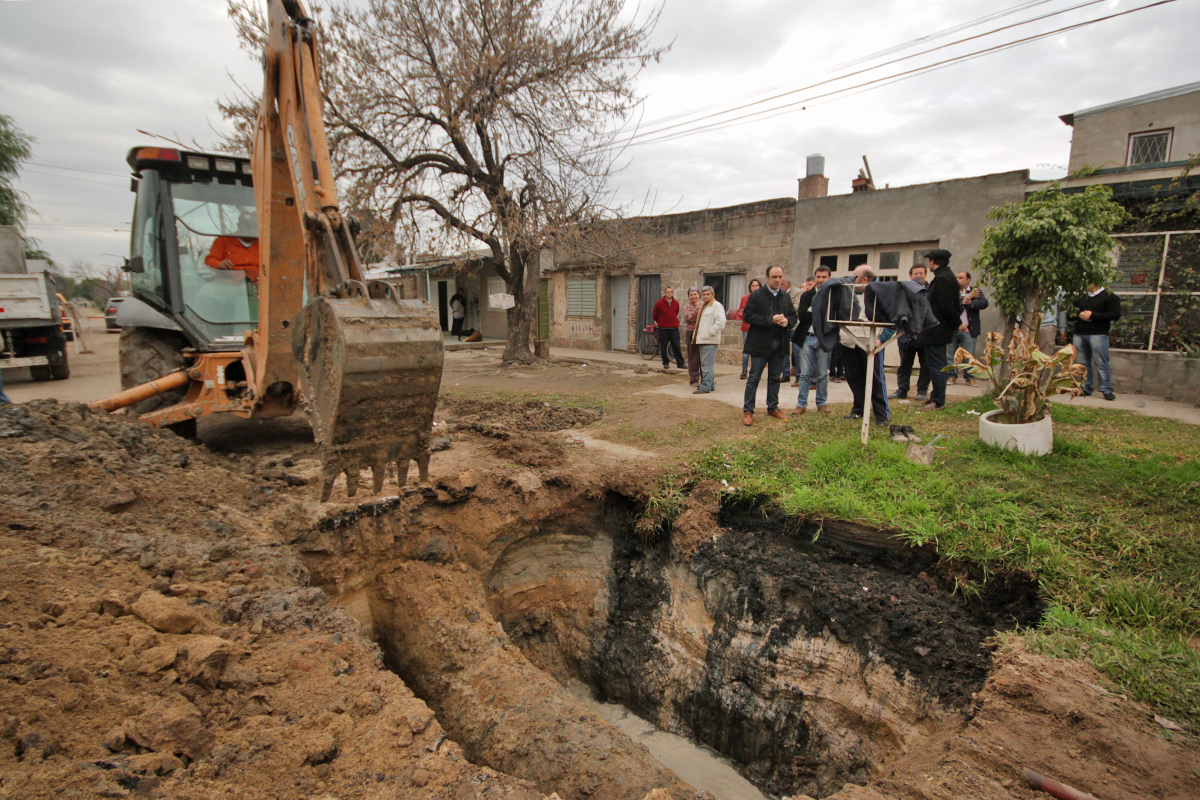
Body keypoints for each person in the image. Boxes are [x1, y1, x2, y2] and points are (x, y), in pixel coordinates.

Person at [741, 265, 796, 426]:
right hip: (760, 344)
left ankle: (773, 407)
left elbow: (793, 316)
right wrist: (769, 320)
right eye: (774, 277)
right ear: (767, 278)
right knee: (754, 377)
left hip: (779, 344)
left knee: (774, 378)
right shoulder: (757, 295)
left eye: (780, 277)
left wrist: (787, 322)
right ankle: (748, 410)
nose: (778, 280)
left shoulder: (785, 296)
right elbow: (748, 316)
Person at [836, 266, 891, 425]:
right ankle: (859, 409)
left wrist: (882, 339)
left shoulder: (882, 294)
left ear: (865, 279)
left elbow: (892, 318)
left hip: (870, 343)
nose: (852, 280)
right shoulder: (848, 291)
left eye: (855, 277)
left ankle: (882, 414)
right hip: (848, 342)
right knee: (854, 377)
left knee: (875, 379)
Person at [915, 249, 960, 411]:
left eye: (929, 261)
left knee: (937, 366)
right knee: (935, 364)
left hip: (937, 329)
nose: (928, 264)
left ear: (933, 262)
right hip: (936, 329)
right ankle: (935, 396)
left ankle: (938, 401)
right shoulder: (945, 277)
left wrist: (957, 323)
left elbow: (947, 305)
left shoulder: (943, 279)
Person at [790, 266, 833, 416]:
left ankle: (821, 403)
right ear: (815, 277)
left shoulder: (833, 295)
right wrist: (818, 313)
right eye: (818, 277)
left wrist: (813, 311)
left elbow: (832, 318)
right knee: (805, 374)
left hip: (824, 339)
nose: (821, 280)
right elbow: (802, 316)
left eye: (824, 277)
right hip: (807, 338)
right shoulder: (806, 295)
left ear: (829, 278)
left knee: (822, 374)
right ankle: (801, 404)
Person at [1070, 283, 1122, 401]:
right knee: (1083, 363)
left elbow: (1115, 314)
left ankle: (1106, 389)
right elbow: (1070, 314)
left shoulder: (1110, 296)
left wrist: (1093, 315)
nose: (1085, 283)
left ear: (1096, 282)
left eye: (1088, 280)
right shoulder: (1081, 297)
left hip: (1098, 334)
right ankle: (1085, 387)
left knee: (1101, 362)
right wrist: (1081, 315)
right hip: (1080, 333)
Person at [890, 263, 931, 401]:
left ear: (926, 275)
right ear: (910, 276)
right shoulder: (903, 290)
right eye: (915, 274)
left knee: (926, 365)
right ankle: (902, 390)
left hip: (924, 334)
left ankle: (922, 391)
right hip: (905, 335)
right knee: (904, 365)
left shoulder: (930, 290)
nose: (918, 276)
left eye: (921, 273)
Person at [948, 271, 989, 386]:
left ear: (968, 279)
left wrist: (971, 302)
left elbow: (984, 303)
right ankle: (951, 376)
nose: (957, 279)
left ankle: (969, 377)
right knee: (950, 355)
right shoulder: (951, 291)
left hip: (969, 330)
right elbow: (950, 304)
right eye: (956, 277)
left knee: (969, 355)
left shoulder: (976, 291)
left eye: (960, 277)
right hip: (953, 329)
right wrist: (966, 298)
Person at [205, 208, 260, 283]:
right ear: (239, 226)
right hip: (228, 282)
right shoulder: (223, 240)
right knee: (206, 294)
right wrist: (219, 264)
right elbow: (210, 260)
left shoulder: (264, 244)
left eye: (254, 226)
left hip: (258, 283)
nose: (251, 229)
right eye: (247, 225)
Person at [693, 285, 727, 394]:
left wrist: (709, 333)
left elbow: (721, 322)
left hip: (709, 340)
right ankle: (710, 384)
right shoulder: (705, 306)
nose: (706, 296)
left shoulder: (717, 306)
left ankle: (705, 386)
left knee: (706, 365)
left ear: (713, 295)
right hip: (703, 339)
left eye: (708, 294)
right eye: (704, 294)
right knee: (707, 364)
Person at [730, 278, 762, 379]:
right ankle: (744, 370)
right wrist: (744, 314)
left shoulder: (763, 298)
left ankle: (755, 370)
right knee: (746, 349)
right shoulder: (745, 298)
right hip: (747, 326)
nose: (755, 287)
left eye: (757, 285)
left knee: (756, 350)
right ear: (750, 287)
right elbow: (740, 311)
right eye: (753, 285)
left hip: (758, 327)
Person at [652, 286, 686, 371]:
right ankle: (666, 363)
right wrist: (660, 322)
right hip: (663, 328)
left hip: (674, 327)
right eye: (667, 292)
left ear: (672, 293)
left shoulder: (676, 303)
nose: (669, 293)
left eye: (671, 292)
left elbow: (676, 312)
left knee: (676, 346)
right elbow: (655, 315)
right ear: (665, 293)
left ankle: (680, 363)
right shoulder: (659, 303)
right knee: (663, 346)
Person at [779, 276, 805, 383]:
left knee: (796, 351)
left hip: (795, 325)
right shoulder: (778, 293)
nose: (780, 286)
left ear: (789, 283)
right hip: (783, 325)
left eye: (782, 284)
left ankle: (799, 375)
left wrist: (783, 310)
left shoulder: (798, 292)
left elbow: (796, 307)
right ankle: (785, 373)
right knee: (784, 351)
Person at [682, 287, 703, 386]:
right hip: (691, 332)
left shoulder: (704, 304)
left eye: (695, 294)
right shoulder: (687, 306)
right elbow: (688, 317)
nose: (693, 296)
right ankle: (694, 379)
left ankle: (705, 378)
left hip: (703, 332)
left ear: (699, 295)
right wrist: (697, 308)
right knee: (693, 356)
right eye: (691, 294)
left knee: (703, 356)